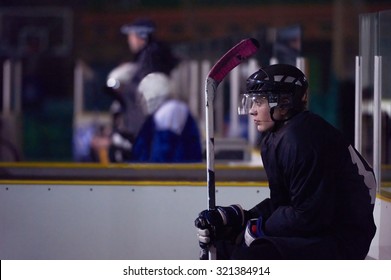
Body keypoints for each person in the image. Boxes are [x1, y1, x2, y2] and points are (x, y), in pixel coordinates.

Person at [195, 64, 376, 260]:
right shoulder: (276, 138)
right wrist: (240, 217)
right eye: (251, 102)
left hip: (342, 240)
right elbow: (285, 203)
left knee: (250, 258)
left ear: (284, 102)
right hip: (321, 229)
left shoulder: (302, 138)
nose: (252, 111)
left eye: (259, 102)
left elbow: (308, 216)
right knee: (222, 248)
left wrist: (257, 227)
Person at [131, 72, 202, 163]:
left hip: (177, 174)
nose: (142, 101)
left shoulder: (171, 108)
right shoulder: (168, 109)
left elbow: (164, 151)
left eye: (143, 96)